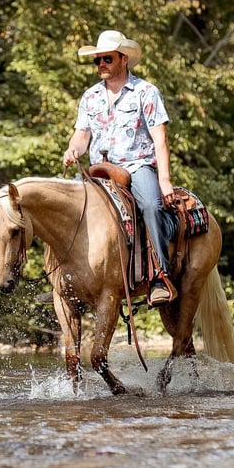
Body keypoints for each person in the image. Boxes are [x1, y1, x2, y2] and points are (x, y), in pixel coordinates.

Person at [63, 30, 177, 306]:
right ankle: (62, 279)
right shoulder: (90, 97)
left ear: (123, 59)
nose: (101, 64)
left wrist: (164, 181)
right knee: (62, 206)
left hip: (135, 165)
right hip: (97, 169)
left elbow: (160, 139)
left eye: (107, 58)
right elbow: (82, 135)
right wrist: (72, 149)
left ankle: (159, 276)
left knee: (151, 204)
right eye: (97, 60)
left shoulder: (146, 92)